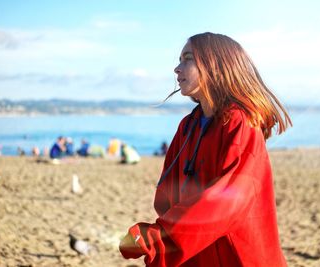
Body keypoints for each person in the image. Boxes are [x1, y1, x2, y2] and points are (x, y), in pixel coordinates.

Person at [119, 32, 292, 266]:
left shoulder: (240, 123)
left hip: (237, 257)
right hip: (197, 254)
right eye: (179, 60)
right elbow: (168, 194)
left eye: (187, 59)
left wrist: (159, 239)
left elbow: (229, 199)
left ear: (216, 65)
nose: (177, 69)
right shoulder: (187, 126)